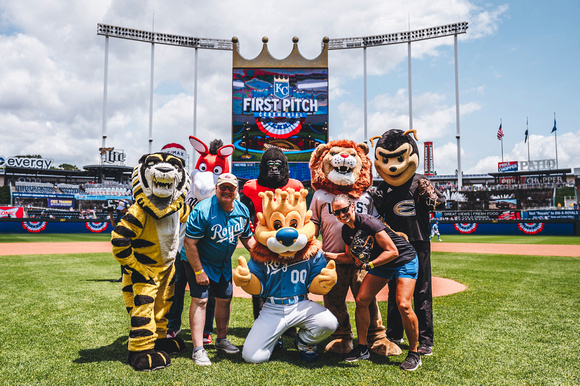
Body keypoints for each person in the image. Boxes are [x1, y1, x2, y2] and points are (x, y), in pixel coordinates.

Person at [325, 194, 421, 371]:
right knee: (362, 300)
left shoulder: (368, 222)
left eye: (344, 210)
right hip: (381, 263)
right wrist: (324, 254)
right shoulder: (346, 230)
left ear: (352, 207)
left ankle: (414, 353)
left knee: (404, 305)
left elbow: (392, 252)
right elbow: (348, 257)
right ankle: (362, 349)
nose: (341, 215)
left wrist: (369, 264)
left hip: (403, 259)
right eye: (336, 212)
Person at [182, 173, 255, 366]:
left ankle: (221, 339)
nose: (227, 191)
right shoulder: (203, 210)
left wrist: (262, 255)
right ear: (216, 189)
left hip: (222, 263)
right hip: (198, 259)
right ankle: (198, 349)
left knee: (225, 299)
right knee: (201, 300)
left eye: (231, 188)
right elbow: (189, 243)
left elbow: (247, 237)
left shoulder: (242, 210)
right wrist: (198, 271)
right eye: (223, 187)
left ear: (236, 191)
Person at [108, 199, 128, 282]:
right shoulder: (120, 214)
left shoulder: (130, 214)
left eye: (121, 208)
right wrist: (110, 214)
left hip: (129, 237)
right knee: (123, 258)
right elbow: (113, 225)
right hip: (122, 237)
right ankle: (123, 277)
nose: (120, 210)